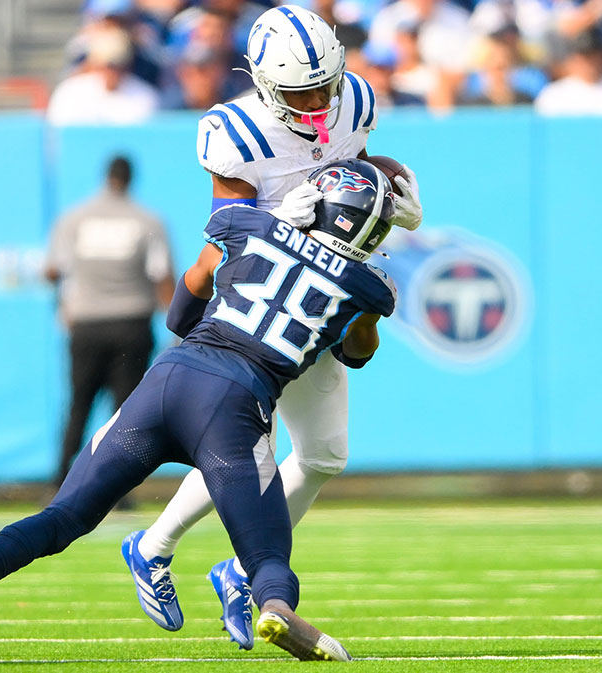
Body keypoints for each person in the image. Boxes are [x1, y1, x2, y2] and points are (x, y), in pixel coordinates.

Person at [0, 159, 399, 665]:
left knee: (62, 517)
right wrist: (361, 310)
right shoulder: (367, 288)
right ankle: (277, 609)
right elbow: (357, 354)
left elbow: (181, 308)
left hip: (167, 380)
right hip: (232, 410)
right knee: (264, 558)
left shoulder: (247, 225)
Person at [121, 5, 422, 651]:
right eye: (299, 91)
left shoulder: (357, 98)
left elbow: (353, 171)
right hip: (261, 302)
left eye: (324, 86)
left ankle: (219, 563)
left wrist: (390, 195)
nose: (316, 102)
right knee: (241, 446)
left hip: (324, 293)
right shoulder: (233, 132)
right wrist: (282, 221)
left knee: (323, 452)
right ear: (262, 82)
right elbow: (227, 239)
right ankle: (159, 545)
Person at [45, 155, 175, 486]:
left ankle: (62, 480)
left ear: (105, 177)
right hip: (131, 323)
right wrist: (178, 326)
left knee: (80, 403)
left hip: (87, 322)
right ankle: (117, 488)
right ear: (130, 180)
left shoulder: (74, 218)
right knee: (125, 411)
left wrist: (64, 303)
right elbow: (162, 277)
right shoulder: (147, 220)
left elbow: (53, 270)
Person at [45, 23, 159, 126]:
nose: (111, 71)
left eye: (117, 64)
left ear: (127, 65)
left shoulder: (144, 96)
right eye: (106, 65)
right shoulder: (69, 93)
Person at [535, 29, 602, 115]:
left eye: (594, 56)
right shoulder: (553, 95)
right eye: (584, 57)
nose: (589, 63)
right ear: (572, 59)